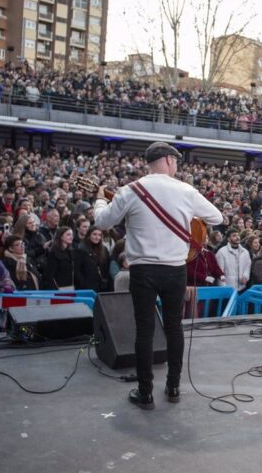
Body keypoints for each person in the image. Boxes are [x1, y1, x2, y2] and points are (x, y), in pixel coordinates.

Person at [94, 141, 223, 410]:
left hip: (142, 270)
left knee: (144, 330)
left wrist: (99, 200)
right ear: (167, 160)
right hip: (175, 269)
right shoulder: (186, 190)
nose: (176, 166)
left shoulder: (131, 190)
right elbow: (217, 217)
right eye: (176, 161)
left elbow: (102, 222)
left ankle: (145, 393)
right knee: (174, 327)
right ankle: (173, 387)